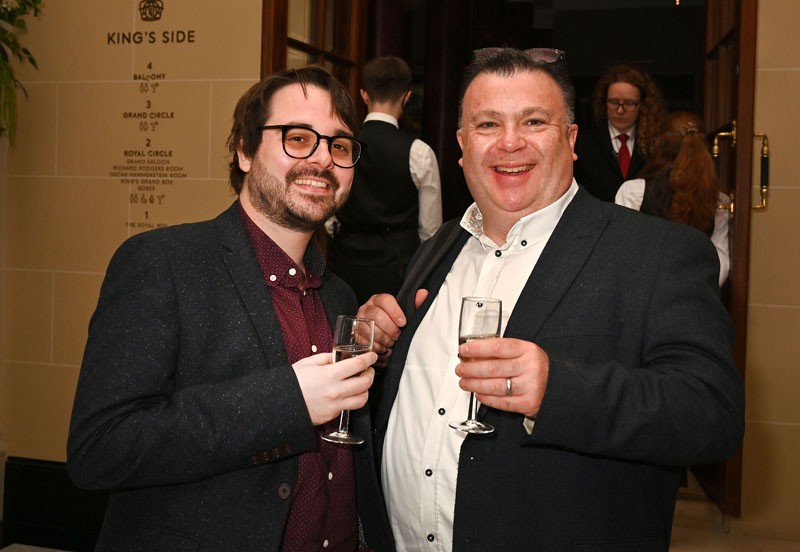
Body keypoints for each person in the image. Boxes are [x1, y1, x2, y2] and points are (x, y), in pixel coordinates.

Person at [359, 47, 744, 551]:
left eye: (534, 121)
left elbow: (712, 415)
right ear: (461, 145)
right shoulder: (437, 248)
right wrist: (382, 351)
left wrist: (557, 390)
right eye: (487, 124)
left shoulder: (657, 255)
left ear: (571, 139)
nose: (509, 142)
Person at [66, 66, 393, 551]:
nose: (323, 158)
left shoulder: (339, 296)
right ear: (245, 151)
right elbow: (101, 449)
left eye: (339, 146)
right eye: (298, 138)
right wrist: (288, 401)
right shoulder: (162, 264)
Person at [329, 56, 442, 304]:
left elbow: (329, 208)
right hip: (398, 266)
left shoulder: (342, 146)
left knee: (343, 323)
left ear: (364, 95)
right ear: (407, 97)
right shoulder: (419, 152)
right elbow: (430, 230)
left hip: (346, 261)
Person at [616, 111, 730, 286]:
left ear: (659, 145)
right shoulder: (718, 200)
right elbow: (721, 265)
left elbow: (622, 254)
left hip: (646, 292)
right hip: (695, 295)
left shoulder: (633, 191)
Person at [574, 64, 666, 202]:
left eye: (629, 103)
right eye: (614, 102)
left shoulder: (654, 144)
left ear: (642, 105)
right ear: (604, 103)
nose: (620, 110)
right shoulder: (583, 144)